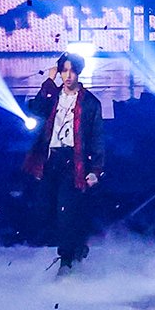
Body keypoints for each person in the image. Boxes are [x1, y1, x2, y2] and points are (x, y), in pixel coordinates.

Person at [22, 52, 104, 273]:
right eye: (64, 71)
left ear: (79, 73)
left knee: (66, 211)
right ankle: (76, 245)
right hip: (51, 159)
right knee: (45, 209)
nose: (68, 76)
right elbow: (35, 108)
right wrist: (48, 81)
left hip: (74, 161)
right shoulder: (52, 97)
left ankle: (66, 259)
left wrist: (96, 169)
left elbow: (97, 137)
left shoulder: (90, 103)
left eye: (72, 71)